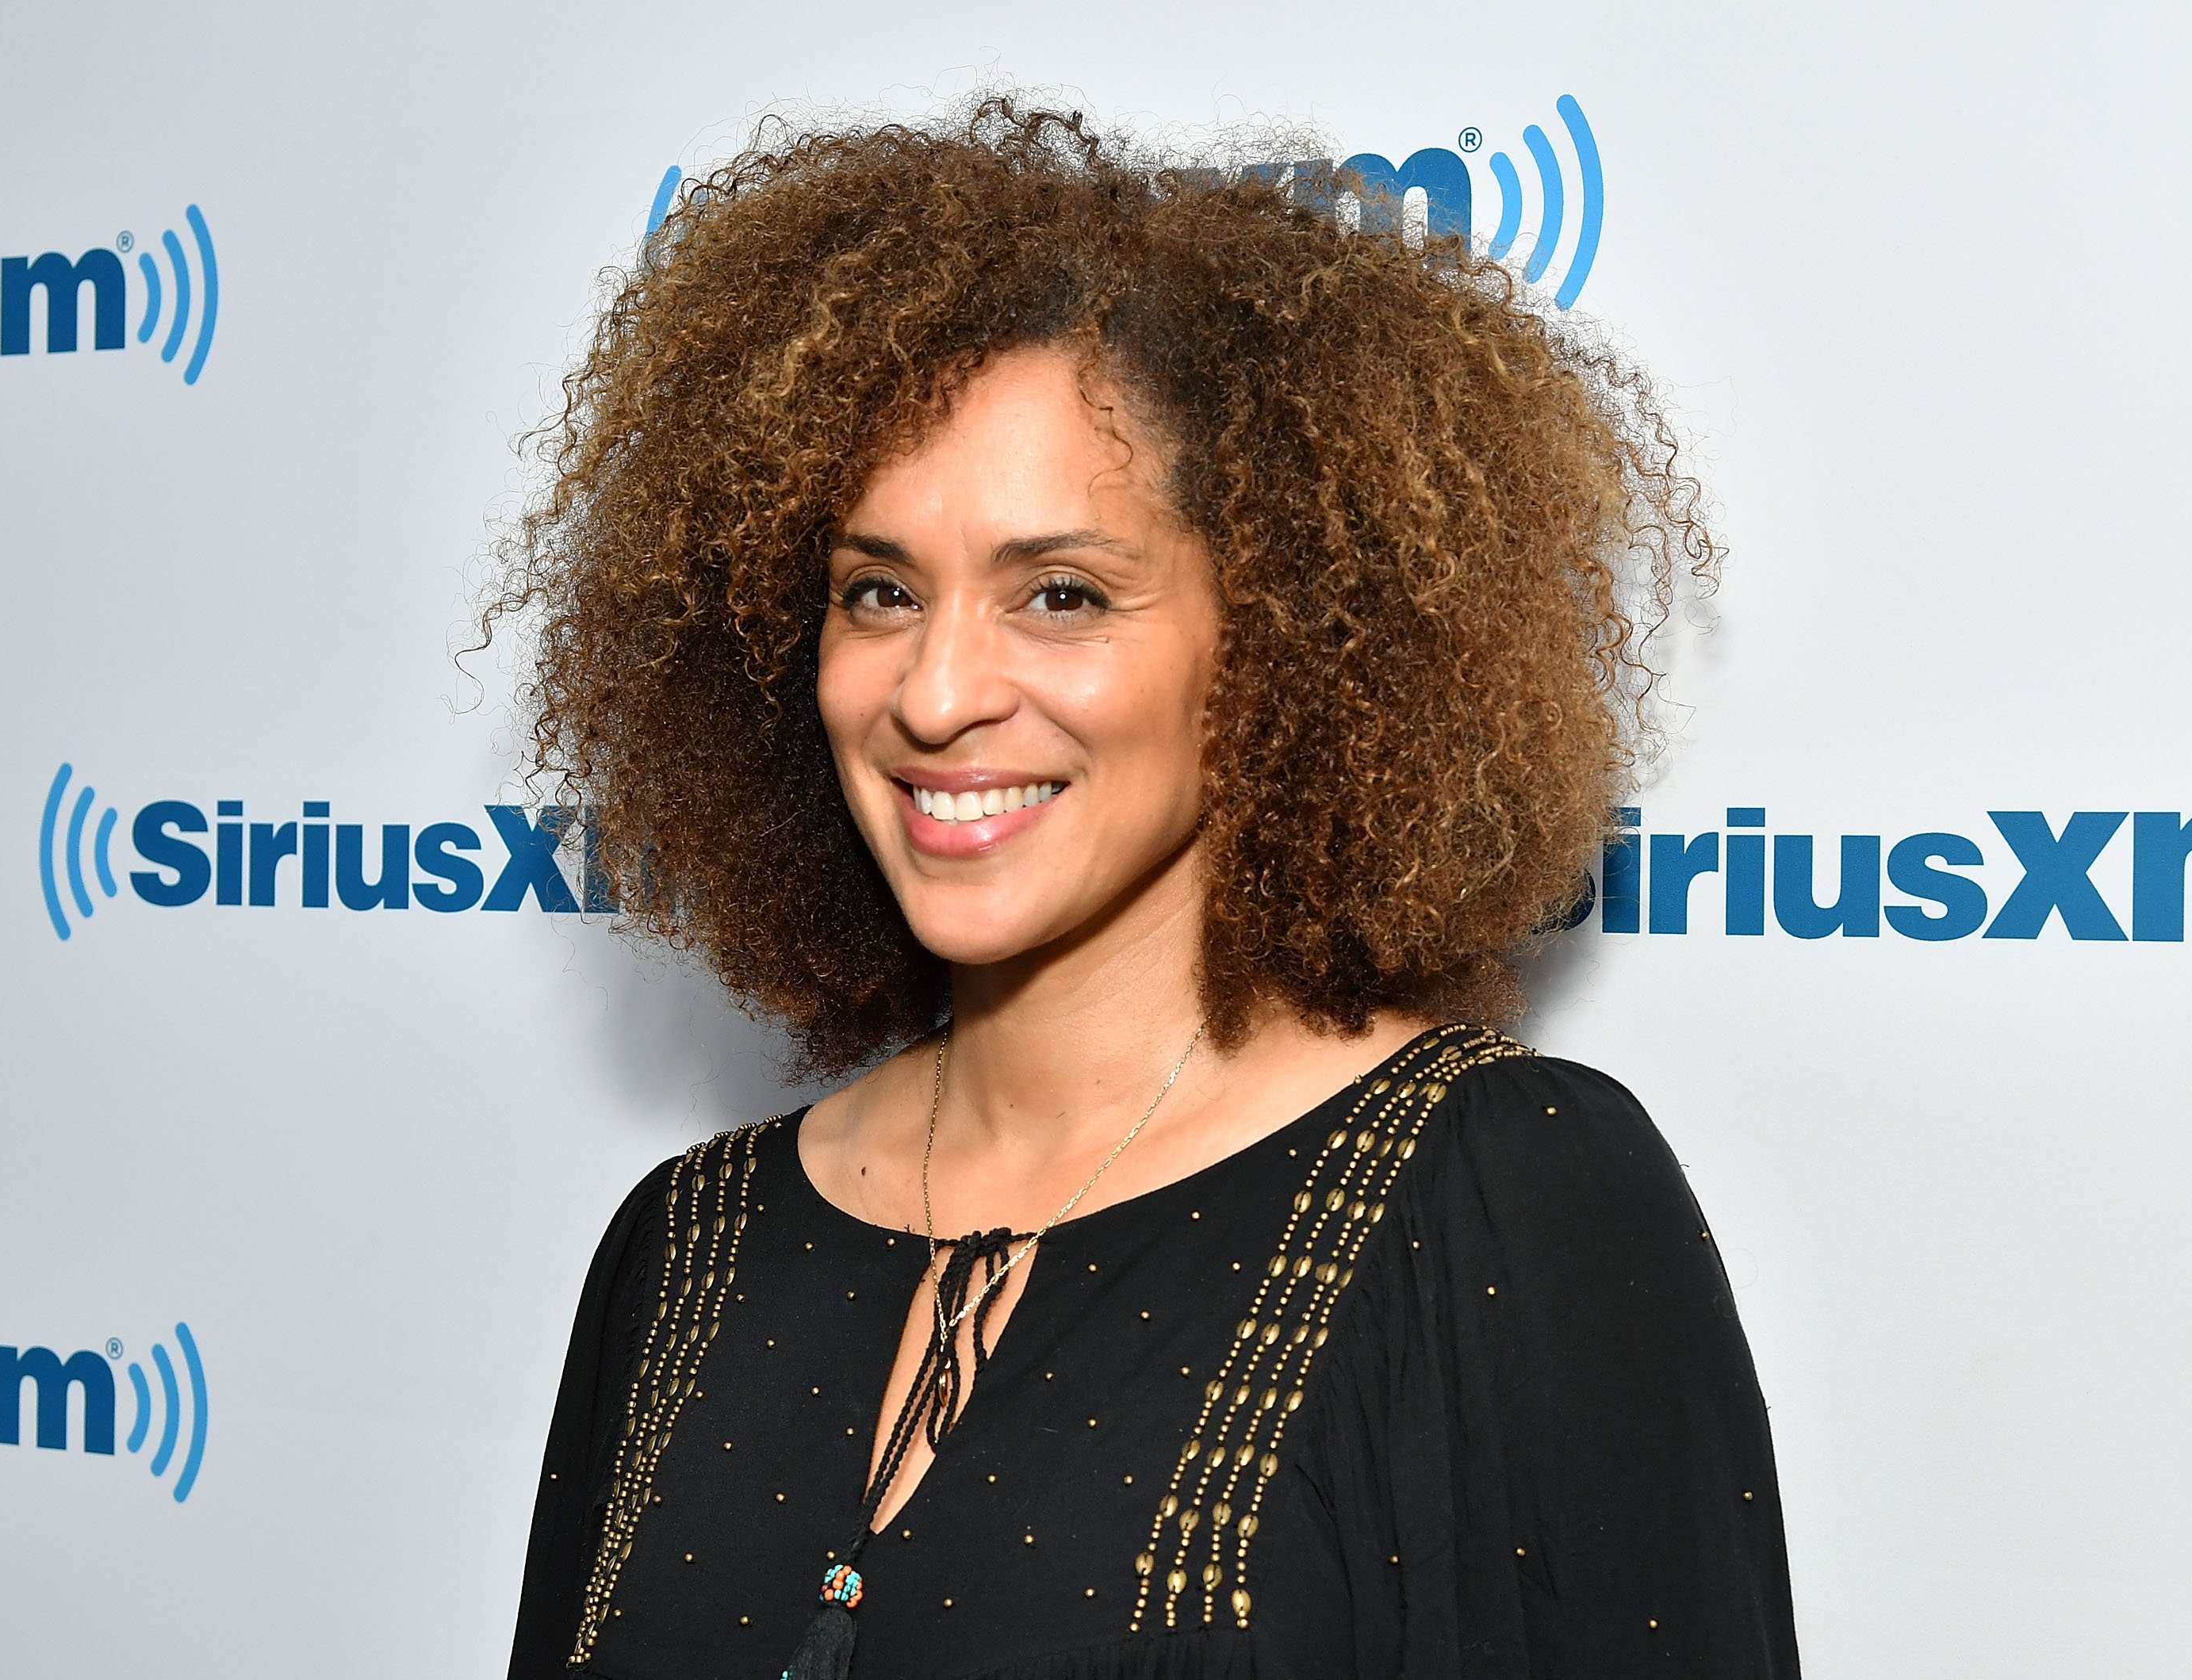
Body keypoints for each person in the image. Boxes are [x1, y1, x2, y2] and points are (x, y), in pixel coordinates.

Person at [497, 99, 1798, 1679]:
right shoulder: (687, 1243)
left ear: (1274, 641)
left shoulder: (1501, 1192)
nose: (936, 691)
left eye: (1062, 593)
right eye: (879, 591)